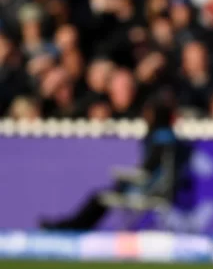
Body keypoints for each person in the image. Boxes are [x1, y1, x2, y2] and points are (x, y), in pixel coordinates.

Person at [39, 90, 190, 231]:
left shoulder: (161, 138)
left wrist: (124, 179)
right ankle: (72, 225)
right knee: (102, 196)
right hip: (155, 189)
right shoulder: (168, 137)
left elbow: (148, 170)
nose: (145, 117)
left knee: (100, 197)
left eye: (149, 113)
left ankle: (72, 226)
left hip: (150, 191)